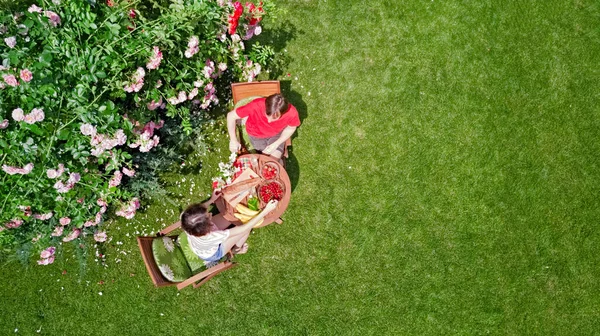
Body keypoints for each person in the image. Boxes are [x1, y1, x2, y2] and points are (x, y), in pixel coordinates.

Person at [181, 190, 278, 262]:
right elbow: (242, 229)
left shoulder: (186, 219)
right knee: (245, 228)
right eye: (209, 216)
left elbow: (199, 211)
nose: (211, 214)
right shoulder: (212, 235)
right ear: (206, 227)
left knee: (229, 215)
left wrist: (212, 200)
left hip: (199, 245)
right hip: (213, 253)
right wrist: (265, 211)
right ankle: (236, 250)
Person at [227, 93, 301, 159]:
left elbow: (291, 128)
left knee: (274, 159)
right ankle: (280, 154)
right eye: (267, 115)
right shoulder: (256, 105)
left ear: (283, 113)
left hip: (276, 134)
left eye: (274, 118)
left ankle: (280, 156)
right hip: (256, 135)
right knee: (265, 157)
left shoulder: (291, 113)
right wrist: (233, 140)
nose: (269, 121)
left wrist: (276, 143)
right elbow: (231, 116)